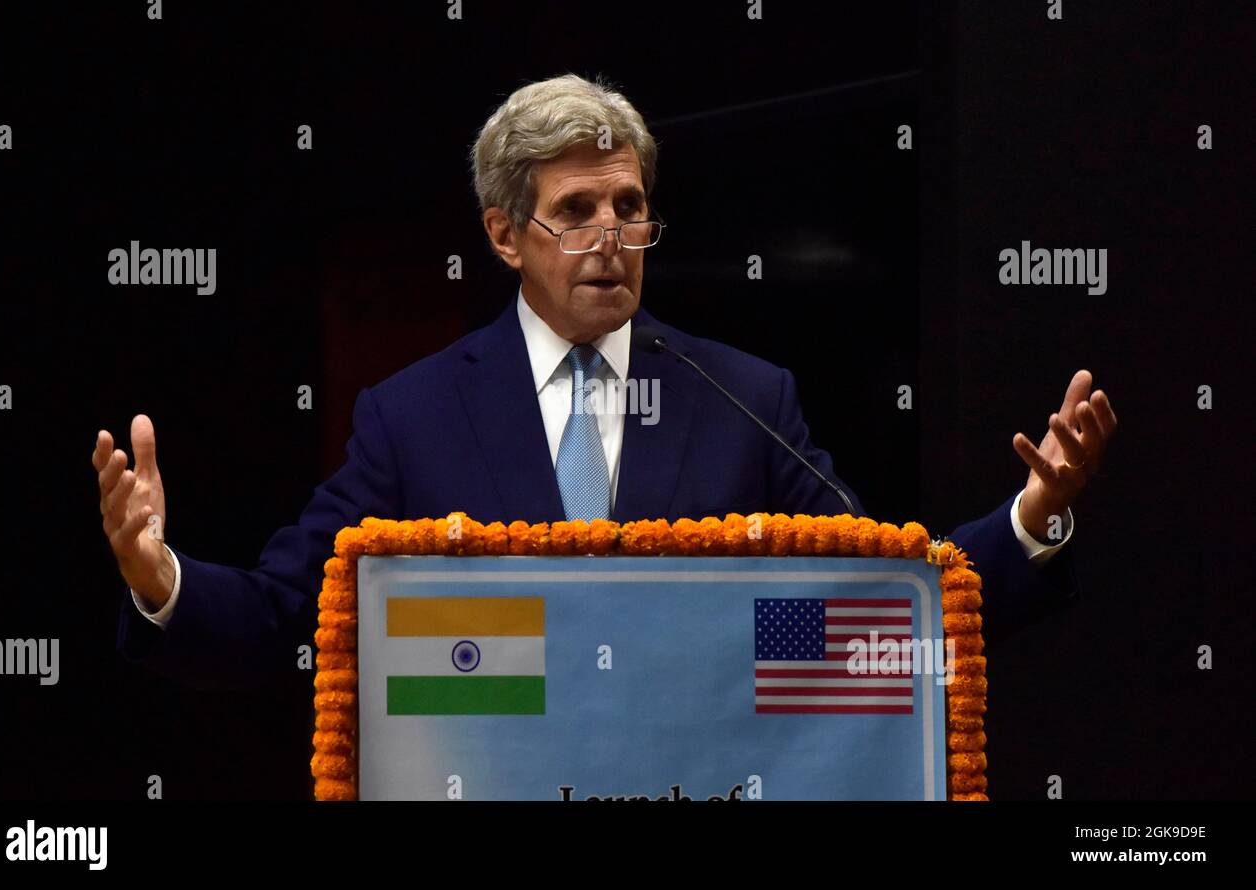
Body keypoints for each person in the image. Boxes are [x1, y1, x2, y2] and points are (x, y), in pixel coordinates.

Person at [93, 74, 1117, 690]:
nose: (609, 239)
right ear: (503, 234)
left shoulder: (744, 398)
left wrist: (1032, 514)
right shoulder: (413, 416)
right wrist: (157, 574)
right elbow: (288, 617)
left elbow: (881, 608)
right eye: (574, 210)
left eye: (628, 206)